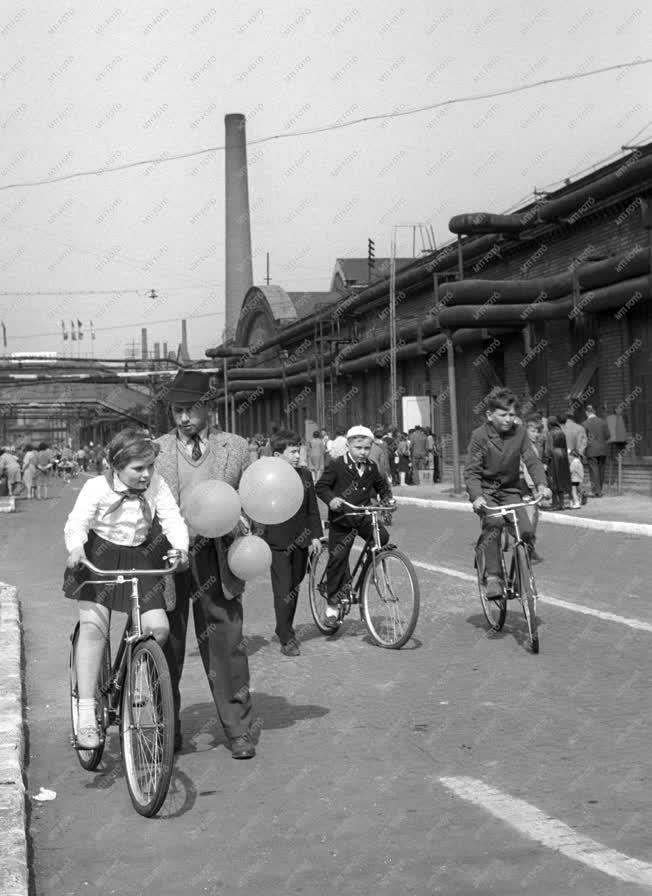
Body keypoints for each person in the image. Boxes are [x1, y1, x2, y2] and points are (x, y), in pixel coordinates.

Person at [63, 428, 189, 749]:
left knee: (158, 628)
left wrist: (180, 548)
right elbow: (77, 521)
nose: (146, 474)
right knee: (94, 628)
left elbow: (172, 518)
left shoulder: (157, 484)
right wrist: (76, 548)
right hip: (100, 555)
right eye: (138, 468)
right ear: (117, 466)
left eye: (149, 466)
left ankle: (136, 673)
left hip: (140, 556)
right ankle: (88, 714)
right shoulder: (96, 487)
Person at [154, 370, 256, 759]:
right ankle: (168, 729)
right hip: (169, 558)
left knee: (227, 643)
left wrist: (246, 519)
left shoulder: (236, 447)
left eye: (190, 411)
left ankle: (239, 729)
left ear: (208, 408)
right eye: (177, 411)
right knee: (166, 642)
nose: (183, 419)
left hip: (217, 556)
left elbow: (254, 493)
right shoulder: (155, 449)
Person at [464, 388, 550, 600]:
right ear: (489, 415)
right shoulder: (479, 436)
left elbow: (531, 459)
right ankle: (493, 577)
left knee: (527, 532)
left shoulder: (519, 433)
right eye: (503, 415)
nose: (508, 419)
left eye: (512, 414)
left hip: (510, 490)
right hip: (486, 491)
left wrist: (541, 484)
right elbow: (472, 471)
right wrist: (477, 496)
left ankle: (521, 577)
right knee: (493, 523)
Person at [316, 425, 394, 628]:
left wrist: (387, 499)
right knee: (338, 558)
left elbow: (382, 486)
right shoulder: (337, 465)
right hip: (342, 519)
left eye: (367, 448)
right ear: (348, 445)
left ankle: (367, 569)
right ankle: (332, 605)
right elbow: (321, 486)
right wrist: (331, 499)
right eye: (358, 447)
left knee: (382, 538)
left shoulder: (371, 467)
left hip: (362, 517)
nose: (363, 452)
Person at [258, 430, 322, 656]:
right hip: (277, 542)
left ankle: (284, 626)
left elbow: (312, 507)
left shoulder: (305, 474)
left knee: (294, 586)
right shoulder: (266, 477)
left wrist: (315, 535)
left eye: (299, 451)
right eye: (292, 452)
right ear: (278, 454)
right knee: (283, 589)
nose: (297, 456)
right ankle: (286, 636)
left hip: (301, 539)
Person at [544, 416, 572, 510]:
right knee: (562, 480)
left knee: (553, 480)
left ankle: (555, 503)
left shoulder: (550, 433)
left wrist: (546, 461)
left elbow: (548, 449)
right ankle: (562, 503)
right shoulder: (561, 432)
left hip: (554, 459)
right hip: (563, 458)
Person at [583, 405, 610, 497]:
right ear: (594, 412)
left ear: (587, 412)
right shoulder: (603, 422)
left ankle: (596, 491)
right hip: (603, 449)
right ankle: (600, 489)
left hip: (591, 449)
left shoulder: (585, 423)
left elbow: (584, 438)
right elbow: (607, 436)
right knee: (601, 469)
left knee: (593, 470)